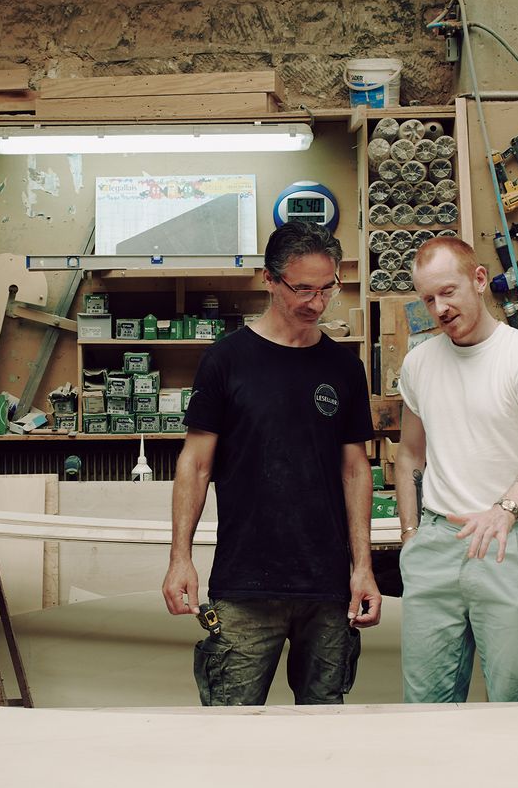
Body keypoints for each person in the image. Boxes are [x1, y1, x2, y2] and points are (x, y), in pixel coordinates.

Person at [162, 220, 381, 708]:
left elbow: (355, 469)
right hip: (244, 584)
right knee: (231, 722)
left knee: (324, 721)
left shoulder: (345, 367)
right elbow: (195, 465)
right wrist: (180, 558)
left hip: (327, 586)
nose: (317, 303)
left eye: (328, 289)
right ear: (268, 279)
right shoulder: (227, 360)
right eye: (302, 289)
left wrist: (362, 567)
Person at [394, 236, 518, 704]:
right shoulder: (418, 364)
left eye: (448, 291)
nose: (440, 308)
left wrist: (503, 510)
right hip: (436, 543)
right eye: (428, 299)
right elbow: (410, 454)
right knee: (425, 705)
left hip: (509, 543)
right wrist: (412, 536)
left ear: (477, 279)